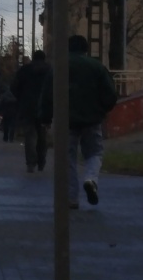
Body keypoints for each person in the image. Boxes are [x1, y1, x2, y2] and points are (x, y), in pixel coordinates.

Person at [40, 35, 118, 209]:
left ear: (68, 48)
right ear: (86, 49)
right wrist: (102, 110)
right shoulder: (97, 66)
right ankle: (91, 179)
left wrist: (45, 118)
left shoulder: (58, 67)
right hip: (92, 119)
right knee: (95, 153)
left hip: (65, 120)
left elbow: (47, 95)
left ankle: (71, 198)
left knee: (67, 158)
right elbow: (111, 94)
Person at [12, 50, 51, 173]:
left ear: (33, 58)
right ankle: (41, 161)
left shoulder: (24, 70)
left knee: (29, 135)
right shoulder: (50, 70)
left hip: (27, 107)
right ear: (44, 58)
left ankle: (30, 163)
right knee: (42, 135)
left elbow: (14, 87)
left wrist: (21, 98)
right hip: (44, 107)